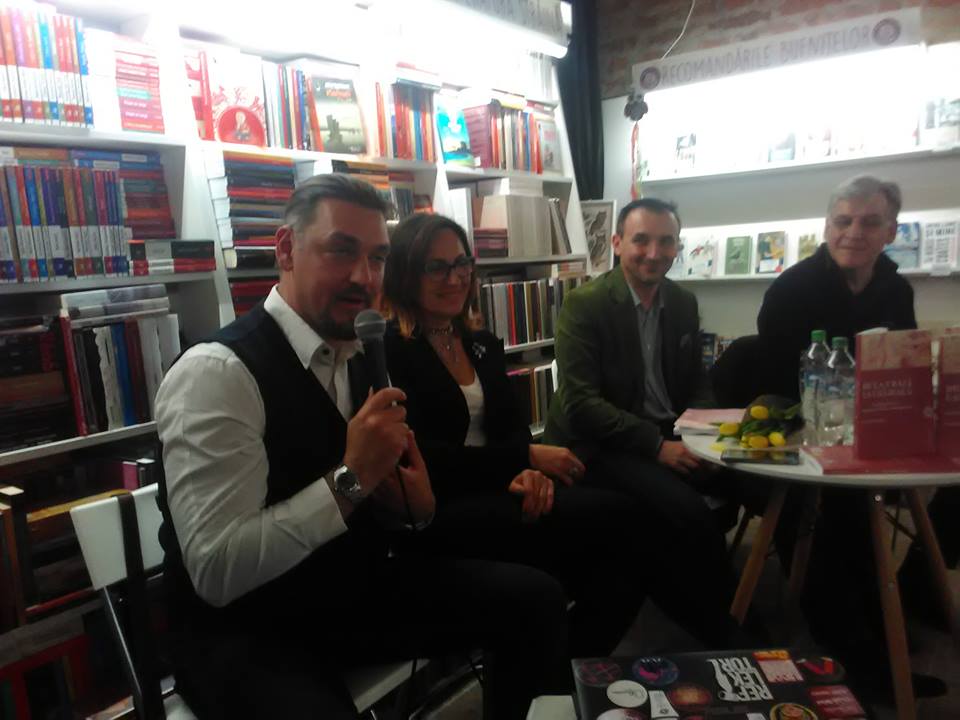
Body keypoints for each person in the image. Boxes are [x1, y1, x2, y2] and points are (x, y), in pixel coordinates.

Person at [154, 175, 572, 720]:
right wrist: (351, 480)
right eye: (341, 251)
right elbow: (217, 572)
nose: (364, 277)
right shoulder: (216, 374)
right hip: (246, 626)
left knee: (535, 600)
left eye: (377, 258)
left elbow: (385, 505)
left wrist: (415, 509)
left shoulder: (360, 355)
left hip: (348, 592)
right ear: (286, 249)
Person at [381, 213, 649, 658]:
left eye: (462, 263)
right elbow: (423, 455)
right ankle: (558, 671)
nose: (455, 278)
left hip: (501, 489)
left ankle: (570, 666)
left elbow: (512, 427)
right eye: (436, 267)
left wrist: (527, 470)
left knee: (627, 533)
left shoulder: (481, 343)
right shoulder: (390, 350)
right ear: (406, 273)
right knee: (612, 530)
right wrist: (521, 461)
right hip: (442, 508)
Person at [755, 175, 949, 701]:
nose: (853, 233)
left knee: (940, 492)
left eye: (869, 222)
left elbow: (902, 366)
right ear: (827, 227)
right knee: (841, 517)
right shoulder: (792, 289)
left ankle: (904, 607)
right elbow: (771, 384)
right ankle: (860, 661)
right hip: (796, 438)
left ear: (890, 231)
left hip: (872, 432)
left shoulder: (895, 290)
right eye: (843, 221)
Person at [542, 197, 740, 645]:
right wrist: (657, 446)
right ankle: (729, 626)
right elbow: (582, 405)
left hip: (667, 430)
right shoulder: (585, 305)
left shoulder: (683, 302)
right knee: (687, 509)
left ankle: (737, 602)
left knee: (746, 479)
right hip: (600, 444)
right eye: (641, 240)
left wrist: (706, 435)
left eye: (666, 241)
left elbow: (695, 381)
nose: (654, 253)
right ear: (617, 243)